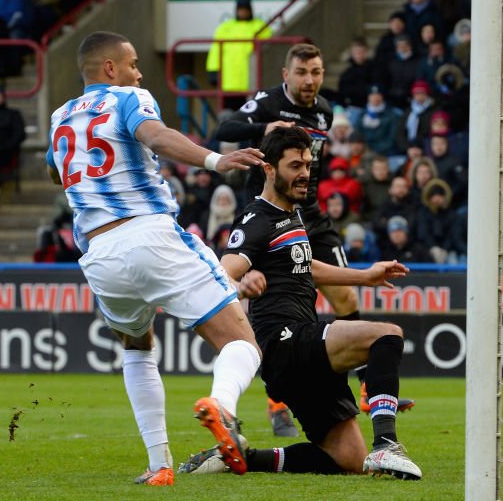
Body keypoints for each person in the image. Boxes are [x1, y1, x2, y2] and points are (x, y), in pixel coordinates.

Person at [45, 31, 263, 486]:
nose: (139, 72)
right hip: (148, 232)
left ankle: (159, 464)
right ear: (110, 68)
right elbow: (157, 136)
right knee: (240, 345)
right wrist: (215, 161)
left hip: (100, 256)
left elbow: (55, 167)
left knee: (138, 347)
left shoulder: (60, 117)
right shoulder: (128, 98)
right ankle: (222, 408)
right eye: (133, 62)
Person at [180, 127, 422, 479]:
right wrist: (242, 280)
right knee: (386, 336)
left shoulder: (290, 213)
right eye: (295, 165)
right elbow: (223, 269)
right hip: (285, 341)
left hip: (294, 351)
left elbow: (306, 265)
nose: (305, 173)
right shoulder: (258, 218)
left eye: (307, 164)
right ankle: (386, 446)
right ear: (269, 169)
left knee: (349, 462)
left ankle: (244, 458)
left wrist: (365, 276)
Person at [215, 44, 414, 436]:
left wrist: (365, 274)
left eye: (317, 72)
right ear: (286, 74)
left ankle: (368, 388)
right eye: (303, 72)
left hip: (310, 215)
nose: (310, 80)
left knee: (347, 299)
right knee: (273, 300)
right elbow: (224, 130)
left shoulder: (324, 110)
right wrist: (262, 130)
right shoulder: (267, 102)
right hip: (273, 213)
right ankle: (277, 400)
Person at [205, 0, 271, 108]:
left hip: (252, 83)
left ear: (250, 10)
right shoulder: (225, 28)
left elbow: (269, 52)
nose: (243, 12)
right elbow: (216, 51)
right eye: (240, 9)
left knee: (252, 117)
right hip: (229, 83)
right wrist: (213, 71)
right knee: (229, 116)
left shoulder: (261, 27)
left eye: (245, 9)